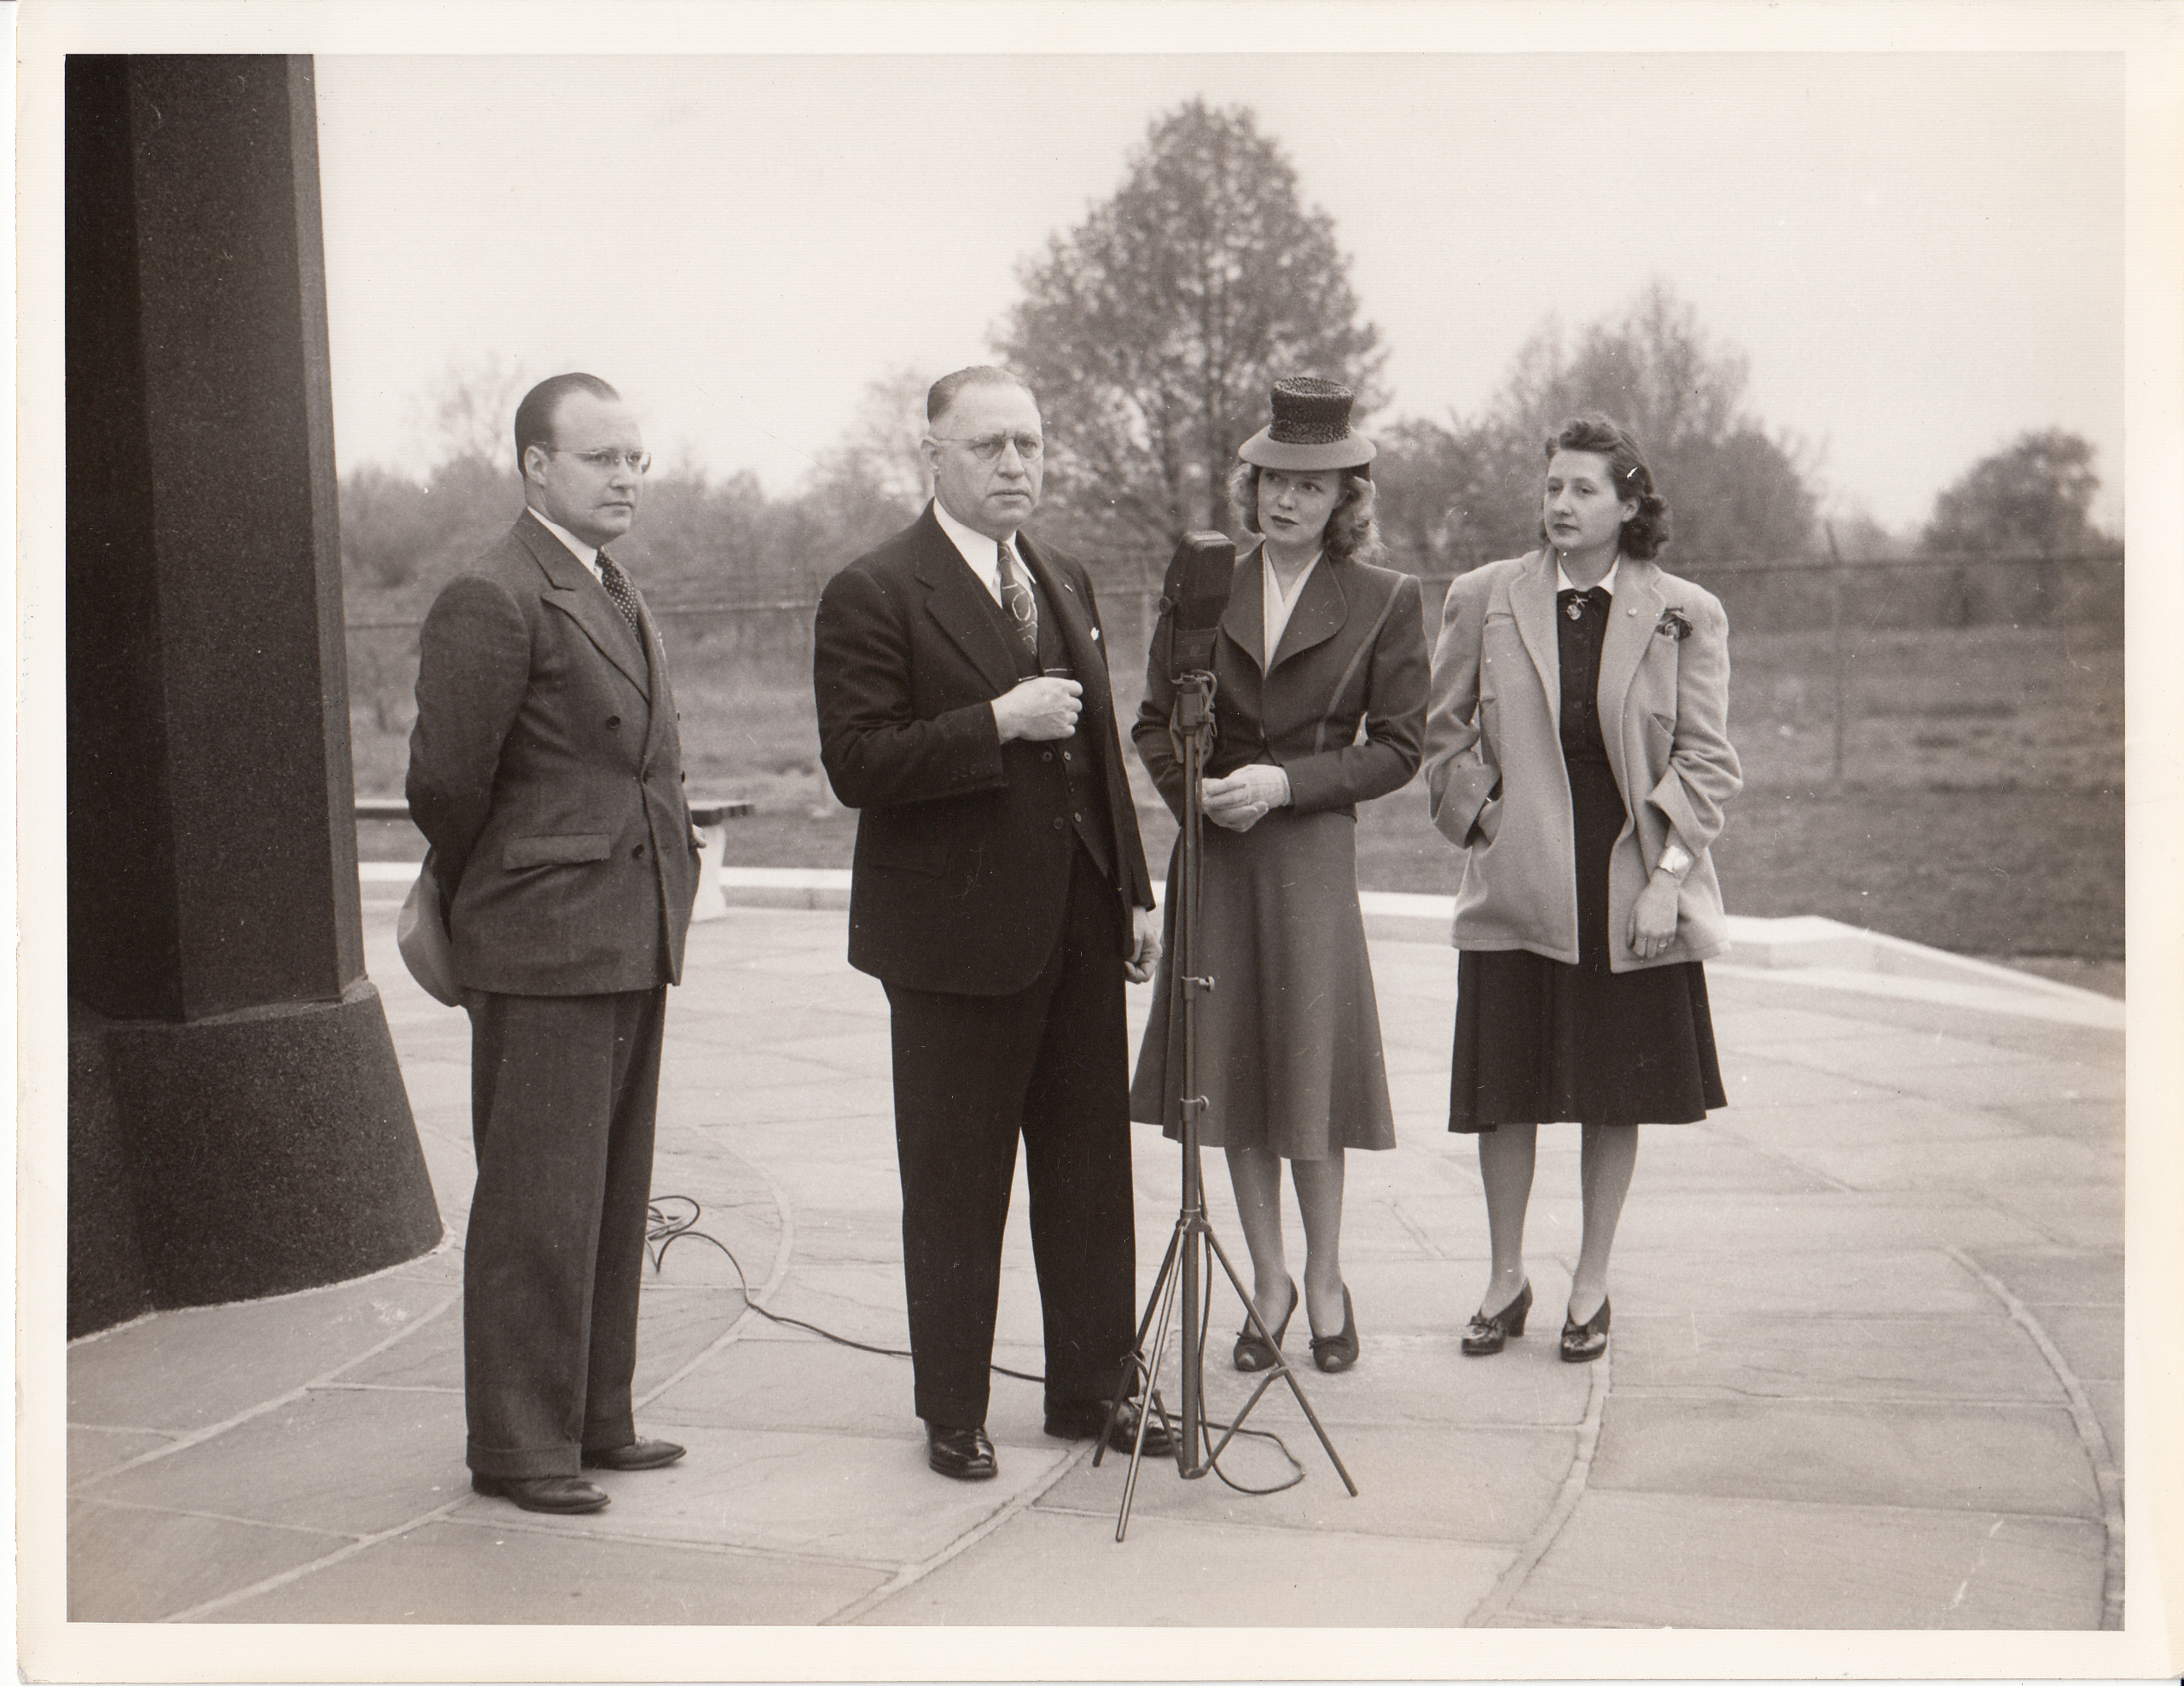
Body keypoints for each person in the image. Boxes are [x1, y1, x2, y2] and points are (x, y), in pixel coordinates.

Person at [812, 365, 1173, 1482]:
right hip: (954, 949)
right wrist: (995, 722)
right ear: (933, 458)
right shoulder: (874, 590)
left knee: (1088, 1176)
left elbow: (1101, 748)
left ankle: (1094, 1391)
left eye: (1029, 444)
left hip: (1075, 924)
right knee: (959, 1185)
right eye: (989, 448)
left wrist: (1134, 890)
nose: (1016, 466)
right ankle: (954, 1410)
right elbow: (857, 764)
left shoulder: (1062, 575)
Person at [407, 373, 702, 1514]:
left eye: (635, 458)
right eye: (600, 460)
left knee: (612, 1192)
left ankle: (594, 1415)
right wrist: (520, 880)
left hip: (629, 931)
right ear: (536, 465)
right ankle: (523, 1447)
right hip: (545, 940)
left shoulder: (606, 580)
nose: (626, 477)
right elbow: (445, 783)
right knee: (538, 1199)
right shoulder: (492, 593)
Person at [1423, 412, 1741, 1364]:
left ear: (1630, 504)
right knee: (1503, 1093)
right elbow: (1442, 742)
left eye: (1584, 489)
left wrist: (1666, 880)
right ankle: (1504, 1276)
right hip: (1514, 892)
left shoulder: (1685, 609)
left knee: (1615, 1092)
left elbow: (1707, 762)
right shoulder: (1483, 596)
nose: (1561, 505)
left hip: (1629, 889)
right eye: (1552, 487)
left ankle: (1591, 1281)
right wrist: (1486, 827)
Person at [1130, 377, 1429, 1376]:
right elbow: (1148, 722)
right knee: (1227, 1079)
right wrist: (1198, 794)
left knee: (1303, 1076)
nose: (1284, 499)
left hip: (1306, 855)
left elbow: (1395, 748)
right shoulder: (1203, 582)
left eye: (1309, 486)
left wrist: (1284, 783)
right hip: (1216, 854)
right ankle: (1268, 1281)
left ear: (1348, 496)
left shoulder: (1386, 598)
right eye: (1269, 480)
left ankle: (1328, 1275)